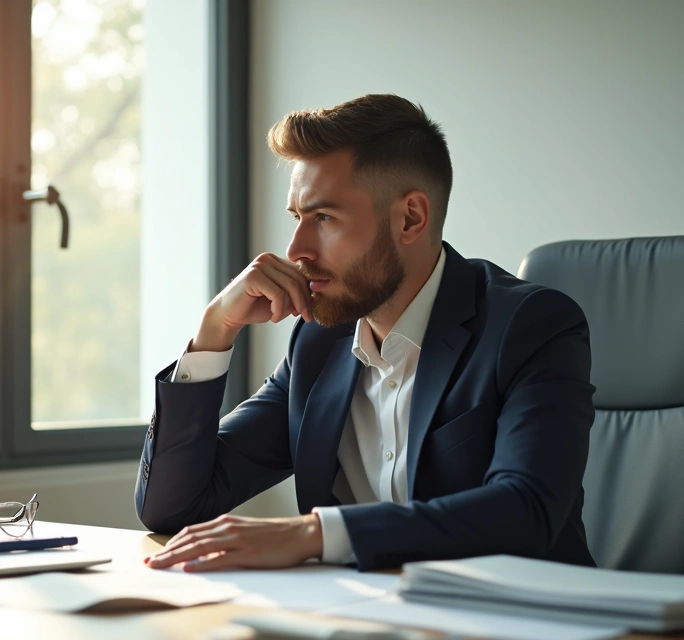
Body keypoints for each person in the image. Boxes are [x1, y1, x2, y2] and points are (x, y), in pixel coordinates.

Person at [137, 94, 596, 572]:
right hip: (361, 615)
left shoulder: (531, 325)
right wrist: (214, 333)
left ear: (410, 218)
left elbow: (526, 511)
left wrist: (316, 535)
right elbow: (171, 508)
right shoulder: (317, 344)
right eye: (297, 218)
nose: (296, 250)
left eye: (325, 218)